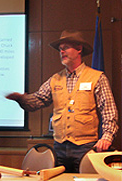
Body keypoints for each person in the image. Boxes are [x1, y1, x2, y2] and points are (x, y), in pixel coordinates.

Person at [6, 30, 118, 173]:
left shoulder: (97, 78)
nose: (62, 52)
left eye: (65, 47)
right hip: (59, 147)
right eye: (60, 49)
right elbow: (37, 101)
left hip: (85, 147)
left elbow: (109, 110)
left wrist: (107, 137)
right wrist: (21, 99)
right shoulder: (55, 79)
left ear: (79, 49)